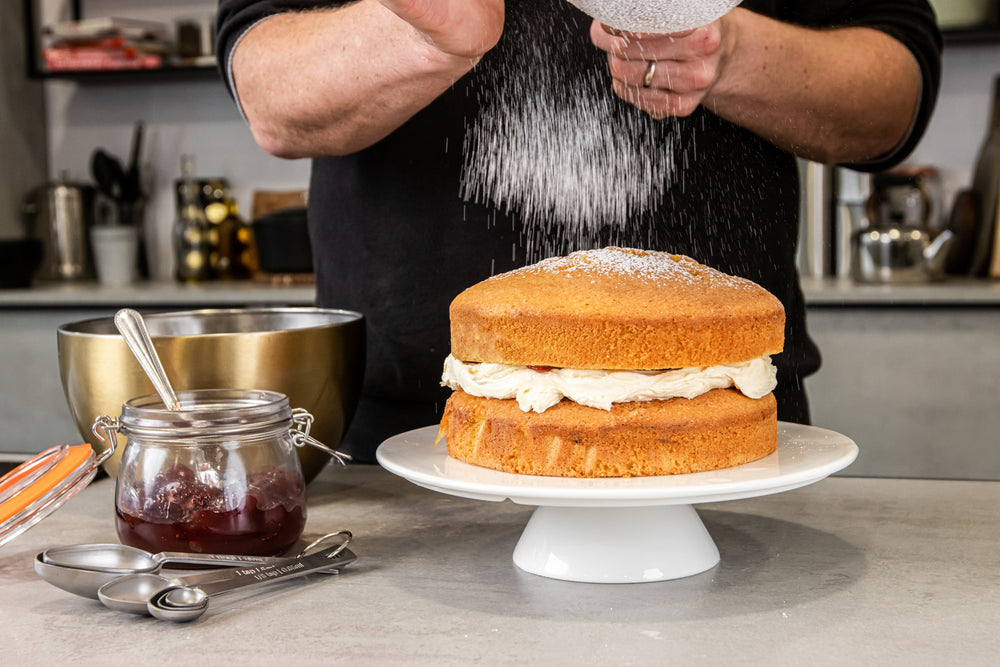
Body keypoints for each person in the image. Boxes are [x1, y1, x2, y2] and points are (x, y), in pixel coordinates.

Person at [216, 0, 941, 462]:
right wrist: (425, 36)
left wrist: (729, 54)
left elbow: (894, 96)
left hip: (726, 420)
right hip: (413, 438)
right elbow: (271, 97)